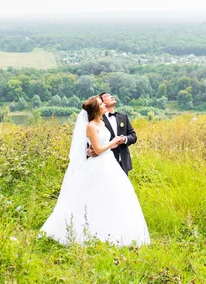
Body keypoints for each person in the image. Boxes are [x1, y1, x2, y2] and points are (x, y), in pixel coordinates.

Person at [39, 96, 150, 246]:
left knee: (114, 196)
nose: (104, 104)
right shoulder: (91, 125)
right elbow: (97, 148)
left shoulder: (103, 122)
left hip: (110, 163)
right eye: (101, 104)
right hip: (98, 164)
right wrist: (111, 143)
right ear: (96, 109)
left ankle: (113, 231)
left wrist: (115, 142)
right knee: (93, 196)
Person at [87, 92, 137, 175]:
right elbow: (88, 140)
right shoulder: (96, 121)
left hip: (123, 162)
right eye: (107, 96)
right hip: (104, 163)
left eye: (111, 95)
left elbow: (133, 136)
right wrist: (88, 151)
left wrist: (125, 139)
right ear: (101, 102)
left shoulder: (123, 116)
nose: (112, 96)